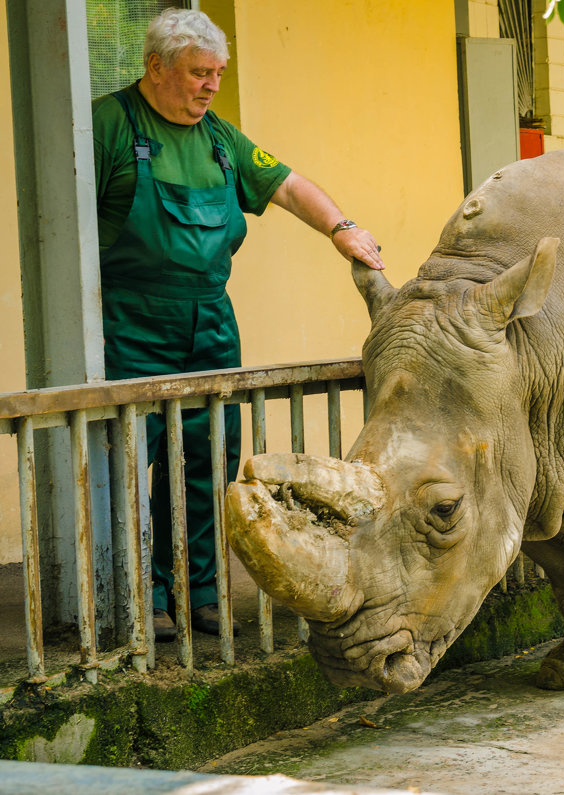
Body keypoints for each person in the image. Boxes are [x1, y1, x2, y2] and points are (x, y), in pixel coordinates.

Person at [92, 8, 385, 643]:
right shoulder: (108, 124)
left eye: (218, 74)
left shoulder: (220, 139)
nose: (209, 86)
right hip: (128, 320)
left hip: (210, 321)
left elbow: (287, 185)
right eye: (198, 73)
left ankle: (199, 592)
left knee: (208, 460)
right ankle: (138, 600)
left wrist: (343, 230)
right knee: (125, 460)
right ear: (156, 68)